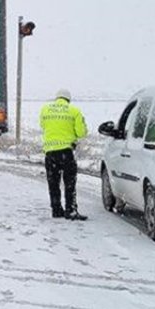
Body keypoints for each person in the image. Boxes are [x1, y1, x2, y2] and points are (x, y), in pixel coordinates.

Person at [41, 88, 88, 220]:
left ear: (57, 98)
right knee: (69, 183)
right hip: (66, 152)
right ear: (68, 99)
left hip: (50, 153)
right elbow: (81, 133)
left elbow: (43, 125)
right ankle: (70, 211)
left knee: (53, 183)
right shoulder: (74, 111)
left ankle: (56, 210)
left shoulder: (45, 109)